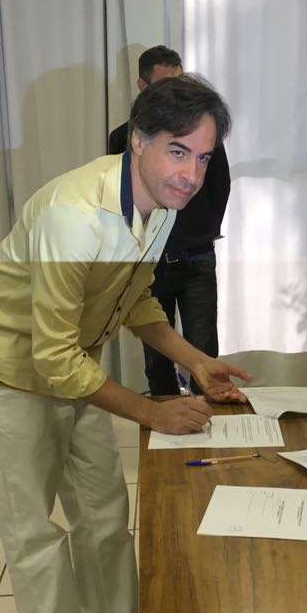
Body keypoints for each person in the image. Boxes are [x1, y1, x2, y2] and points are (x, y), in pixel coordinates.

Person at [0, 75, 251, 613]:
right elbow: (50, 356)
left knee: (102, 511)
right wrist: (150, 411)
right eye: (178, 151)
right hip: (16, 370)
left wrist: (197, 362)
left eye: (204, 157)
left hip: (75, 363)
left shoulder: (161, 205)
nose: (192, 174)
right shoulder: (74, 215)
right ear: (138, 141)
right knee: (34, 527)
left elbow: (135, 299)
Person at [108, 46, 231, 396]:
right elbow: (120, 200)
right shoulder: (121, 139)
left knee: (204, 350)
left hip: (196, 254)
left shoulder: (203, 134)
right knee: (157, 354)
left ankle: (206, 417)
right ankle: (163, 418)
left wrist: (202, 230)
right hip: (150, 260)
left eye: (180, 82)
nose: (190, 173)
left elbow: (220, 186)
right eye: (164, 85)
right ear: (142, 86)